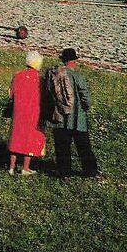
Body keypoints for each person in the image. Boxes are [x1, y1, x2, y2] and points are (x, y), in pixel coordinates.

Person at [46, 48, 100, 179]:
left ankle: (65, 172)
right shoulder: (77, 76)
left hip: (59, 116)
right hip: (77, 118)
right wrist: (86, 107)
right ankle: (90, 172)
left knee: (62, 147)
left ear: (63, 60)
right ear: (74, 61)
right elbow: (85, 97)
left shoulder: (55, 73)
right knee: (84, 146)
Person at [7, 51, 45, 176]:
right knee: (29, 138)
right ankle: (25, 167)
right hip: (33, 112)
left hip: (18, 111)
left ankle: (11, 167)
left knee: (16, 137)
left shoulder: (18, 75)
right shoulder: (39, 79)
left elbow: (11, 94)